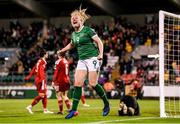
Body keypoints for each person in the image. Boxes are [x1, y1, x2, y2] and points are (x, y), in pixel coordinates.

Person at [58, 7, 110, 119]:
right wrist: (63, 50)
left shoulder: (87, 30)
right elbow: (72, 44)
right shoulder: (74, 34)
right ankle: (74, 110)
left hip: (93, 59)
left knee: (93, 84)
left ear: (81, 20)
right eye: (72, 18)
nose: (73, 19)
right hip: (82, 60)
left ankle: (106, 104)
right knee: (77, 83)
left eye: (76, 18)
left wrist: (100, 54)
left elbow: (99, 42)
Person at [25, 49, 53, 114]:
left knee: (44, 94)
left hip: (37, 79)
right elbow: (40, 70)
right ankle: (30, 106)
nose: (47, 55)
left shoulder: (39, 61)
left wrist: (29, 76)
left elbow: (34, 68)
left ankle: (45, 110)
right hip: (41, 79)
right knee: (42, 95)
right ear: (44, 54)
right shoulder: (43, 61)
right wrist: (43, 79)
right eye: (46, 54)